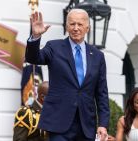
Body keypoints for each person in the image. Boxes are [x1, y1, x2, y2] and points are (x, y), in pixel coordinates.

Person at [25, 8, 110, 141]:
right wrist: (35, 37)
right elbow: (34, 58)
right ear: (66, 26)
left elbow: (102, 93)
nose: (76, 28)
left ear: (88, 27)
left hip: (86, 125)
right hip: (59, 123)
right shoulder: (54, 47)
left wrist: (103, 124)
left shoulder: (98, 56)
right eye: (72, 24)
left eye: (80, 24)